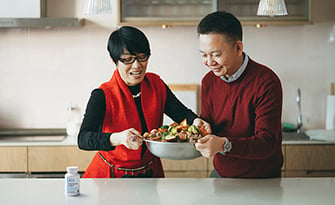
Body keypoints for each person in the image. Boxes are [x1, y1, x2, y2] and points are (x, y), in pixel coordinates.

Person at [78, 26, 204, 178]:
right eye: (128, 59)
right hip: (111, 176)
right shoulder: (102, 95)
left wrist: (197, 122)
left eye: (142, 57)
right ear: (114, 60)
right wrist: (118, 138)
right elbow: (83, 138)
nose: (137, 65)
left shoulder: (156, 85)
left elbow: (182, 114)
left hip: (150, 172)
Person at [194, 11, 284, 178]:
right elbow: (210, 122)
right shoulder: (208, 81)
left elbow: (267, 143)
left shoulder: (266, 82)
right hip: (221, 174)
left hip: (263, 179)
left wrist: (224, 145)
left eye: (216, 54)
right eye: (204, 55)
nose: (209, 62)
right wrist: (203, 125)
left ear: (238, 48)